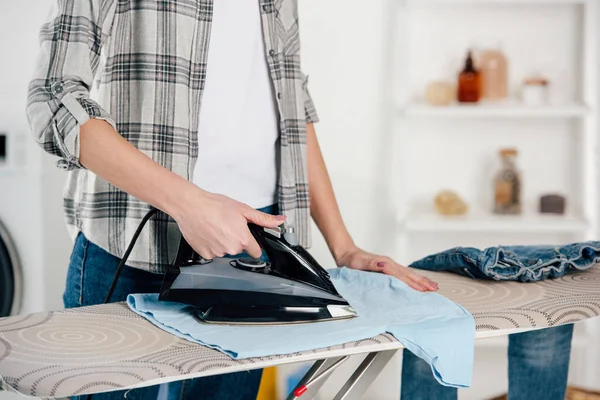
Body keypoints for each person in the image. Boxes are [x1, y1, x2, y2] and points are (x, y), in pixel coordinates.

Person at [26, 1, 438, 399]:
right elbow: (53, 97)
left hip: (253, 255)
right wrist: (188, 204)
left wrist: (344, 248)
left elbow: (293, 109)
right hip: (130, 246)